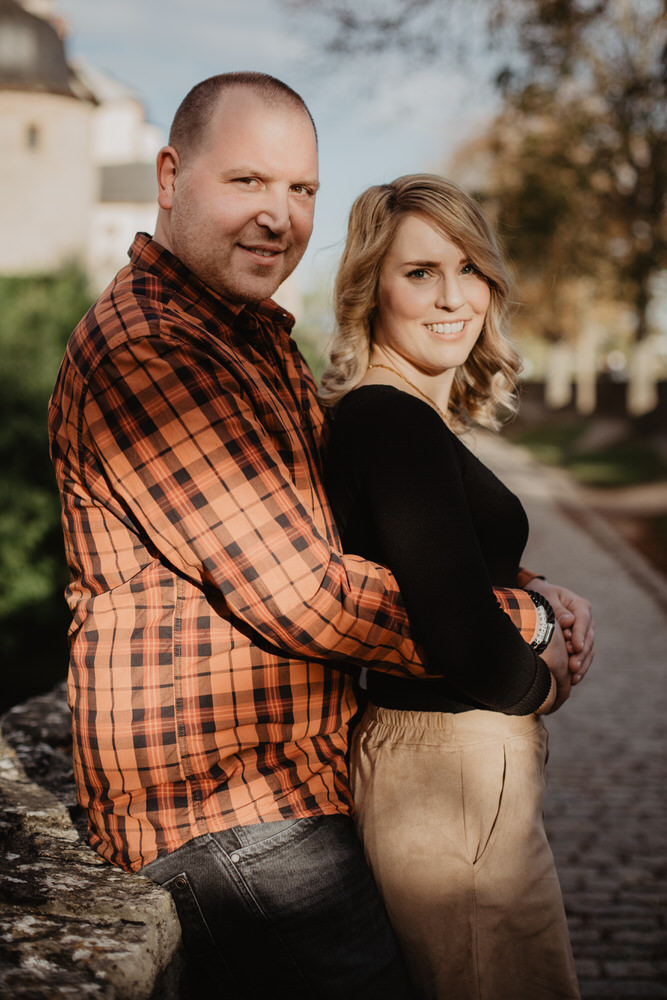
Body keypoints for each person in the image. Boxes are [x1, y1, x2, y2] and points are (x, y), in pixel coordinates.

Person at [48, 72, 591, 998]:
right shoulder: (154, 349)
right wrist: (524, 628)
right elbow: (306, 593)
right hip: (223, 809)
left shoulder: (248, 340)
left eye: (299, 190)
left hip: (295, 784)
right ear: (170, 174)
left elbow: (362, 533)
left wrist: (525, 586)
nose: (278, 215)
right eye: (248, 182)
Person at [322, 173, 590, 1000]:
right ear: (371, 287)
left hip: (452, 775)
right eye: (418, 272)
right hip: (447, 778)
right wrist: (544, 684)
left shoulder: (407, 417)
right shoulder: (388, 416)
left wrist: (534, 584)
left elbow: (433, 553)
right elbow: (462, 637)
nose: (452, 296)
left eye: (468, 268)